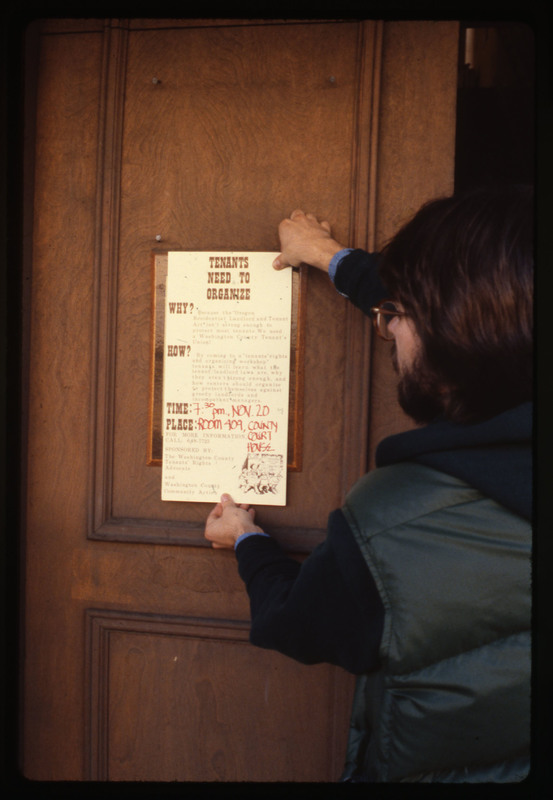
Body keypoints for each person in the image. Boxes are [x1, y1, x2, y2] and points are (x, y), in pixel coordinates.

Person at [204, 187, 533, 783]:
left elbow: (297, 623)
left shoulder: (397, 524)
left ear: (454, 328)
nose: (388, 332)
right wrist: (329, 256)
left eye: (396, 315)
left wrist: (248, 542)